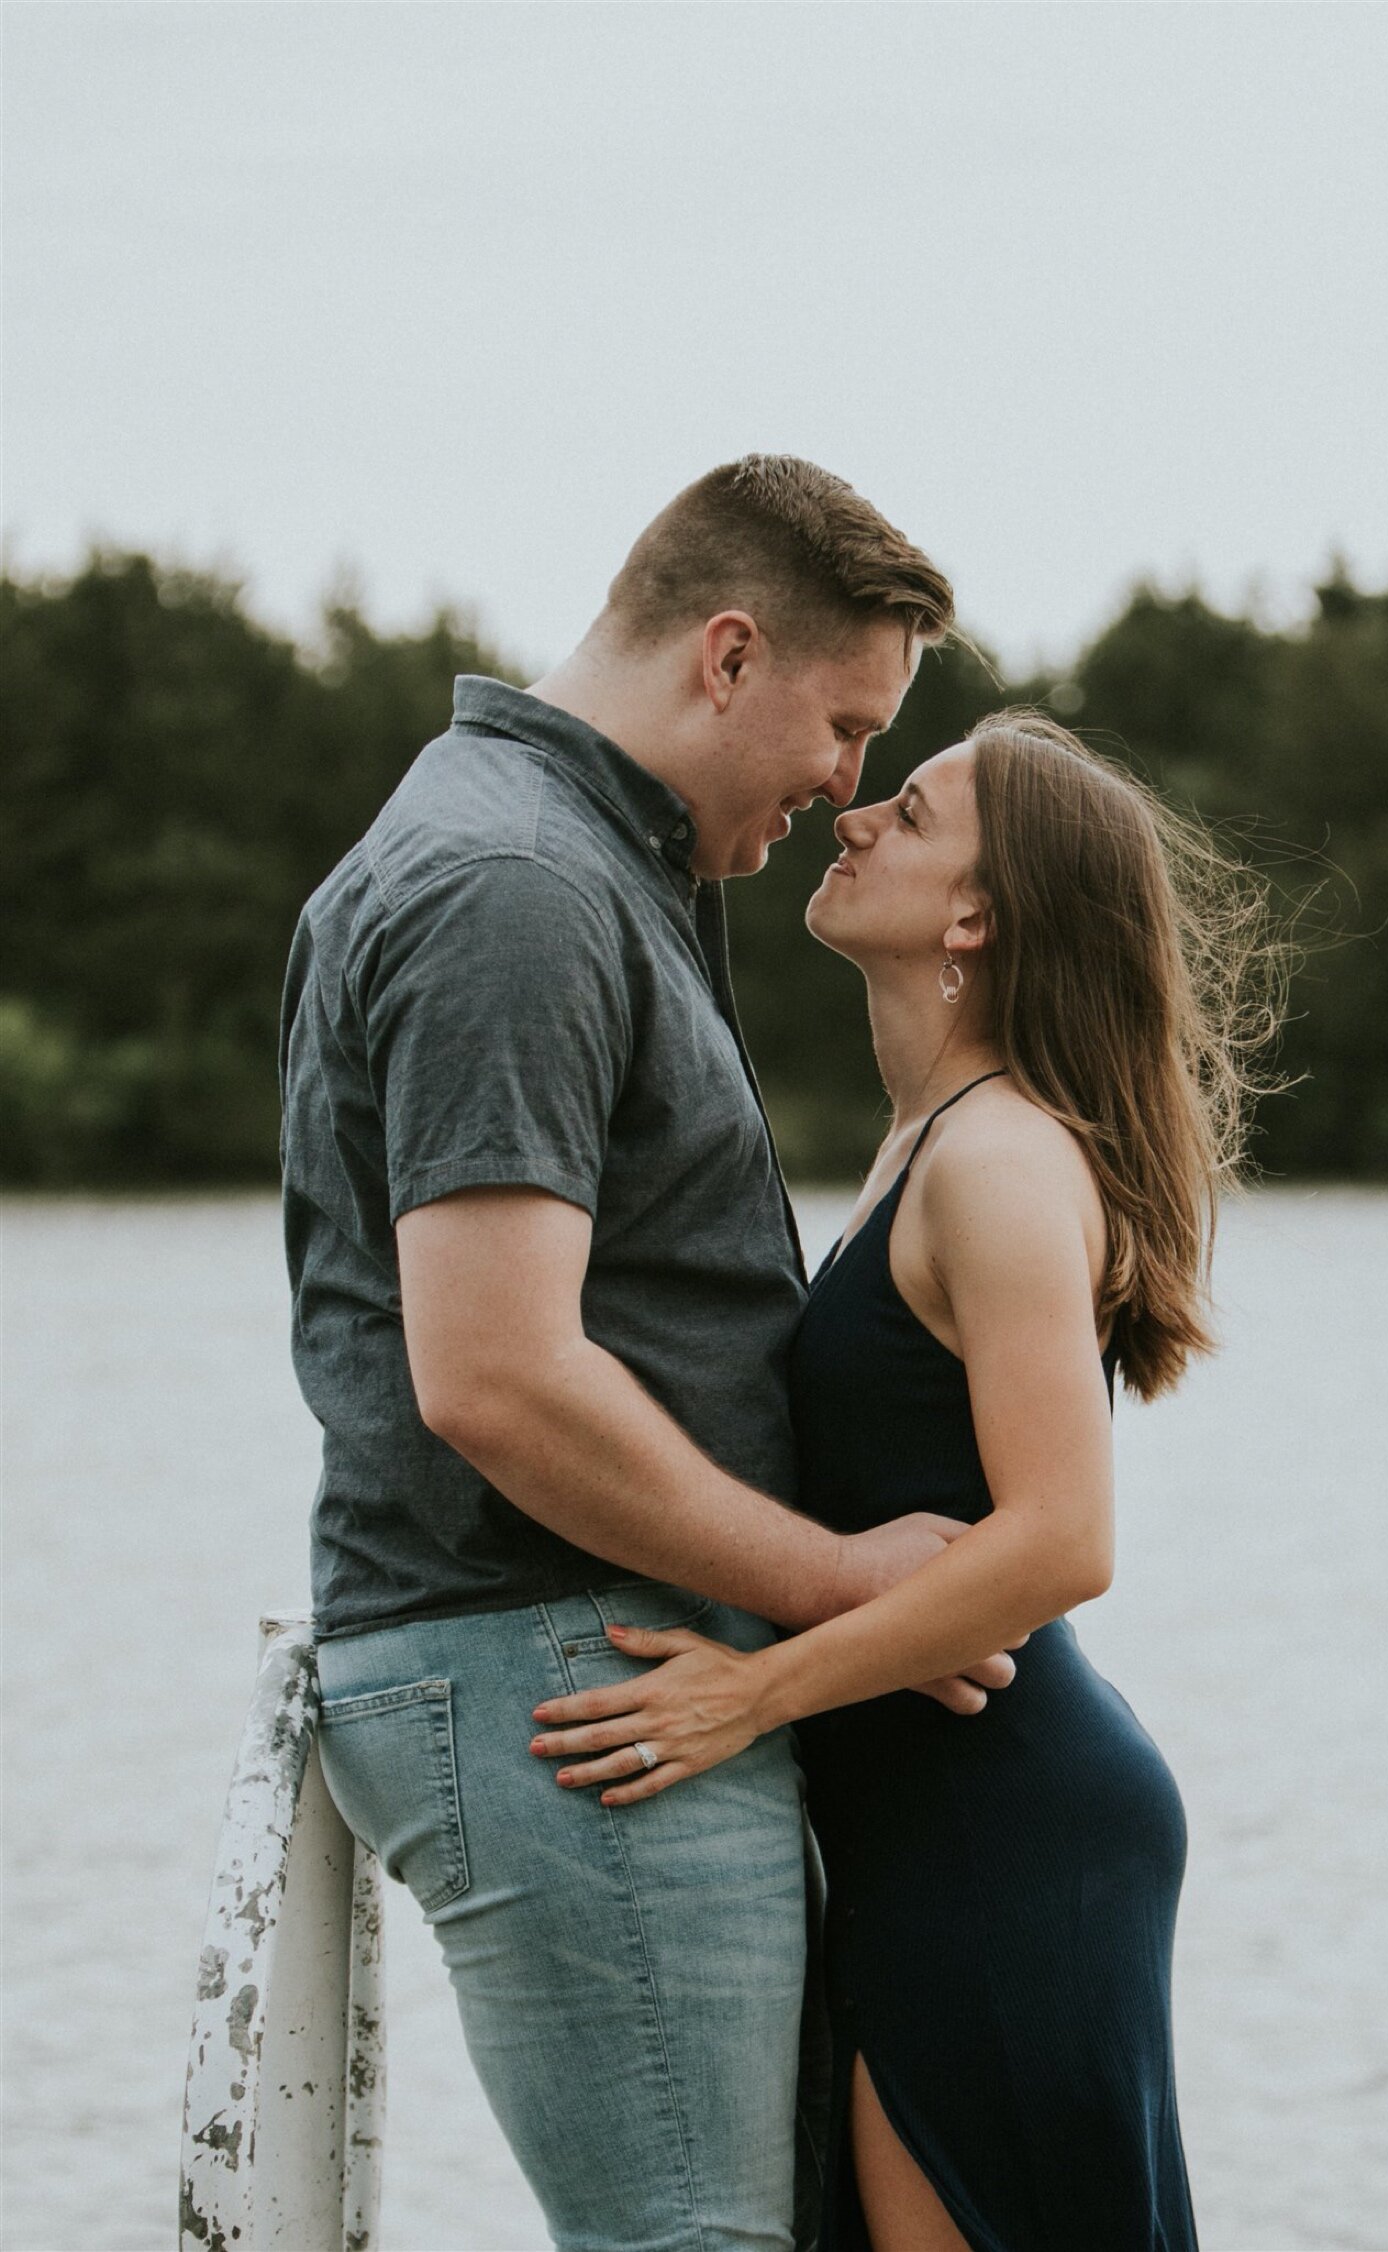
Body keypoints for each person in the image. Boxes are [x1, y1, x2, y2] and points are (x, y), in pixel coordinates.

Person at [279, 455, 1024, 2252]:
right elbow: (498, 1379)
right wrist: (846, 1585)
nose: (847, 787)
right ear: (729, 654)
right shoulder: (516, 888)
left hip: (585, 1661)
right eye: (844, 725)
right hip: (564, 1668)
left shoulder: (587, 858)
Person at [529, 712, 1284, 2250]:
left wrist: (751, 1695)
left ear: (972, 917)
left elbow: (1065, 1541)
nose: (856, 812)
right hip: (935, 1831)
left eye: (915, 810)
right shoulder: (925, 1142)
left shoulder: (1000, 1161)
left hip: (1008, 1837)